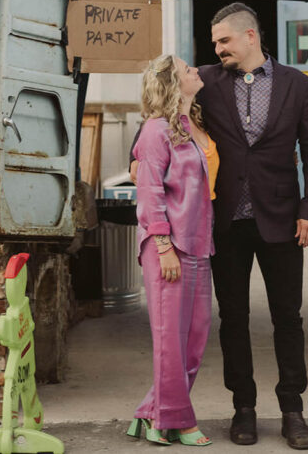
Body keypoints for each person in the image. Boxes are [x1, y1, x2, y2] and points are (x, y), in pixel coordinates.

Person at [201, 3, 308, 450]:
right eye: (215, 43)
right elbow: (164, 109)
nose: (217, 50)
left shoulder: (297, 85)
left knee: (287, 318)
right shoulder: (205, 82)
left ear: (250, 36)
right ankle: (244, 408)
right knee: (233, 318)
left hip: (283, 221)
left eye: (224, 41)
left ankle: (292, 409)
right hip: (225, 222)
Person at [127, 54, 218, 448]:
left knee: (194, 339)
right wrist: (163, 245)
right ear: (171, 83)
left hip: (198, 243)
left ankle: (151, 413)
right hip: (169, 247)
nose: (195, 70)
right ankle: (178, 421)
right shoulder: (155, 131)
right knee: (170, 341)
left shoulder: (188, 124)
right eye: (187, 69)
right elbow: (149, 193)